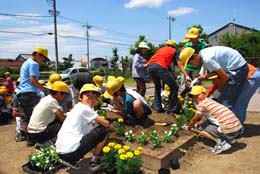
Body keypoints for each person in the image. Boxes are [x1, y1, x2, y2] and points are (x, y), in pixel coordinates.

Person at [55, 84, 109, 170]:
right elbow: (106, 123)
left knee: (93, 129)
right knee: (103, 130)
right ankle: (94, 161)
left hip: (60, 151)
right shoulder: (85, 108)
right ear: (80, 97)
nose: (91, 99)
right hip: (71, 152)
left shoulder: (77, 107)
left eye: (94, 97)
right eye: (88, 96)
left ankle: (72, 159)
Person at [179, 46, 249, 113]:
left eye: (190, 63)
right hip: (235, 68)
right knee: (225, 100)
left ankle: (228, 124)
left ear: (194, 56)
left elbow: (224, 77)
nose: (192, 65)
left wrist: (220, 89)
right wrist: (206, 76)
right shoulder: (203, 54)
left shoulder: (207, 59)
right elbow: (217, 73)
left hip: (237, 70)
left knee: (225, 102)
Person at [187, 86, 243, 154]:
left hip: (229, 131)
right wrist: (196, 125)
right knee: (204, 125)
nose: (195, 98)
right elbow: (204, 120)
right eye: (193, 97)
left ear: (205, 94)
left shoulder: (202, 104)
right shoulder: (210, 101)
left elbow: (194, 119)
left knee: (201, 129)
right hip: (237, 129)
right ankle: (230, 139)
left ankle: (221, 143)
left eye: (197, 95)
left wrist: (189, 127)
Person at [16, 46, 49, 146]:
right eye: (43, 58)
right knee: (35, 117)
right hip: (30, 93)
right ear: (38, 54)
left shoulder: (26, 63)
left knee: (26, 117)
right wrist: (45, 89)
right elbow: (33, 80)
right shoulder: (34, 64)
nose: (42, 60)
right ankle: (37, 139)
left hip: (21, 93)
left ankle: (29, 140)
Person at [147, 39, 190, 114]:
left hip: (150, 67)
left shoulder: (160, 49)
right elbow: (179, 63)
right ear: (174, 46)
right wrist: (186, 76)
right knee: (174, 87)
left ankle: (157, 107)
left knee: (157, 86)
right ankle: (171, 109)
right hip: (160, 67)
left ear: (166, 45)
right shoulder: (174, 51)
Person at [27, 81, 68, 148]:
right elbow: (62, 119)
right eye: (64, 94)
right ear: (58, 93)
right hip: (38, 133)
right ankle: (47, 144)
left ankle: (41, 143)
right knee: (65, 126)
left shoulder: (46, 99)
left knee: (57, 123)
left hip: (32, 132)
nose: (64, 97)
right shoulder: (52, 101)